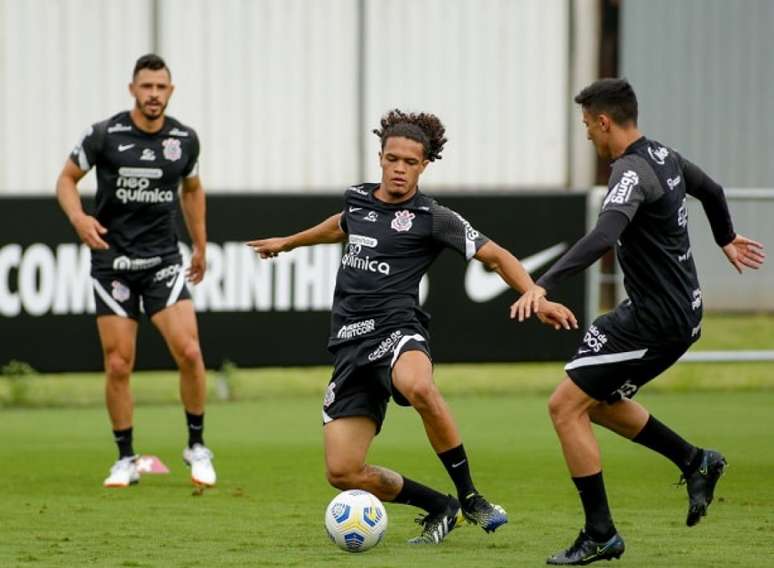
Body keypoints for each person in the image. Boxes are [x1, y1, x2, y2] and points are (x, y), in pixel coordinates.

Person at [248, 109, 577, 544]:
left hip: (396, 330)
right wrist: (288, 243)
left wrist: (535, 295)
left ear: (424, 166)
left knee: (419, 387)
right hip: (349, 345)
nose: (399, 169)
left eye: (410, 162)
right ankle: (441, 506)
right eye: (392, 159)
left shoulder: (433, 217)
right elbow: (339, 227)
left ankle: (471, 495)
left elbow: (496, 257)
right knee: (342, 471)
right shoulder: (357, 199)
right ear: (380, 157)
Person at [512, 78, 766, 565]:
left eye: (588, 126)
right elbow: (709, 189)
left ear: (605, 121)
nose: (587, 135)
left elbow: (605, 234)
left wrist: (543, 285)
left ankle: (601, 533)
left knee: (564, 407)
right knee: (596, 402)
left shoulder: (630, 171)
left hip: (656, 321)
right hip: (675, 311)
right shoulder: (663, 156)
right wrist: (726, 237)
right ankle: (696, 461)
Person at [56, 54, 216, 489]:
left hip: (163, 261)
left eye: (161, 87)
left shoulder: (184, 139)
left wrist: (200, 246)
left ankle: (197, 446)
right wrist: (79, 219)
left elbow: (193, 190)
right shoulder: (105, 135)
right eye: (146, 87)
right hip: (113, 264)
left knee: (190, 353)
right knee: (118, 363)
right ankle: (126, 457)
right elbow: (66, 180)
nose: (153, 95)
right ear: (132, 90)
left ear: (171, 91)